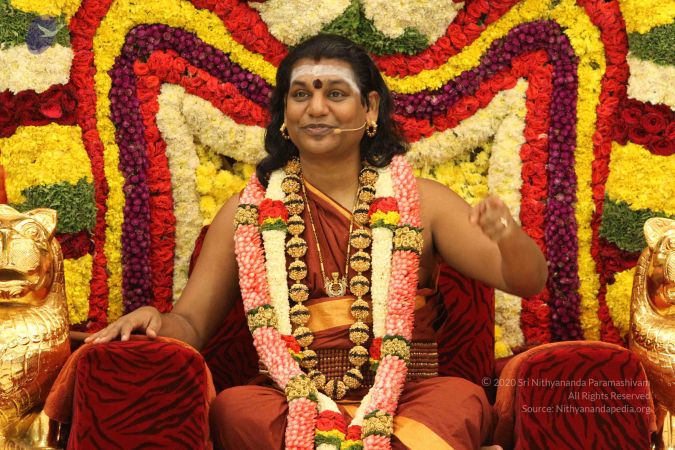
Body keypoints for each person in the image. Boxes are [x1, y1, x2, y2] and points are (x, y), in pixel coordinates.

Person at [86, 34, 547, 449]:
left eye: (336, 93)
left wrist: (507, 236)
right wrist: (155, 323)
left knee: (460, 400)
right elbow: (191, 322)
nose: (317, 108)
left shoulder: (422, 203)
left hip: (406, 398)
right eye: (301, 94)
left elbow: (525, 281)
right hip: (290, 400)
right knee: (235, 408)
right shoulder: (248, 210)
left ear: (370, 108)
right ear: (285, 114)